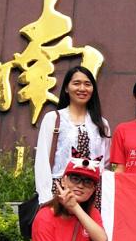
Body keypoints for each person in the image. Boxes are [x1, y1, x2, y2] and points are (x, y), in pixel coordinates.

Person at [34, 66, 111, 204]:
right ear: (66, 88)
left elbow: (105, 163)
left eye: (87, 84)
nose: (82, 88)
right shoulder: (53, 118)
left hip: (93, 193)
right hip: (60, 190)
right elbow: (42, 160)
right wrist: (45, 198)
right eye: (76, 83)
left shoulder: (102, 123)